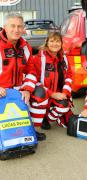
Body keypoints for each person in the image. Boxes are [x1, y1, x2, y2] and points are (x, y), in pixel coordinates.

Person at [0, 12, 45, 141]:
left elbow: (31, 70)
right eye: (12, 26)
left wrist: (27, 89)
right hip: (1, 88)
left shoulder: (25, 46)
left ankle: (31, 130)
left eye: (19, 26)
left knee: (41, 93)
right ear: (5, 27)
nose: (16, 30)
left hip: (18, 87)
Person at [29, 31, 73, 130]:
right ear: (47, 43)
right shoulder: (39, 59)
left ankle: (47, 117)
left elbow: (69, 77)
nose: (55, 44)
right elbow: (34, 80)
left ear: (61, 43)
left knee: (65, 106)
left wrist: (65, 93)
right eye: (52, 41)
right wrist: (52, 94)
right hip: (42, 95)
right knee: (39, 92)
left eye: (58, 41)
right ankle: (38, 120)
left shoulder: (64, 58)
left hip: (57, 95)